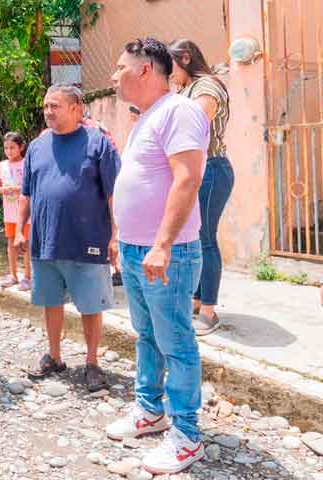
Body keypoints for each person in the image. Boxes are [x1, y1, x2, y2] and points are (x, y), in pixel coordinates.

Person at [105, 38, 209, 475]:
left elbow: (188, 179)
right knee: (147, 336)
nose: (113, 75)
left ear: (146, 69)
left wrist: (163, 244)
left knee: (177, 342)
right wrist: (119, 237)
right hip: (135, 249)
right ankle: (151, 410)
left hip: (169, 252)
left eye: (120, 66)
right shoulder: (147, 117)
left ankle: (187, 435)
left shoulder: (179, 111)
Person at [14, 84, 120, 393]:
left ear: (76, 109)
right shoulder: (37, 146)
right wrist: (22, 229)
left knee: (90, 305)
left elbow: (114, 194)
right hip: (45, 240)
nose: (48, 112)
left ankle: (91, 363)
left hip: (87, 238)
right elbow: (27, 193)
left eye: (55, 106)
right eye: (46, 106)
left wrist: (116, 235)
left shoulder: (99, 144)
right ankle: (55, 357)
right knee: (50, 302)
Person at [168, 39, 233, 336]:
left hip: (212, 169)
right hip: (196, 170)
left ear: (185, 57)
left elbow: (195, 123)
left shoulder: (208, 86)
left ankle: (209, 311)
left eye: (171, 66)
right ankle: (196, 300)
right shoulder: (184, 90)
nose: (169, 74)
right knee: (194, 236)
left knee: (205, 238)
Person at [0, 132, 31, 290]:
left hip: (25, 215)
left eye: (12, 147)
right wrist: (3, 189)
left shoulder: (26, 164)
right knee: (11, 243)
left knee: (26, 245)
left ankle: (28, 277)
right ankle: (13, 274)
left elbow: (31, 186)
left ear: (21, 147)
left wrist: (17, 189)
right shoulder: (2, 165)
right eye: (6, 148)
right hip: (9, 214)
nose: (9, 151)